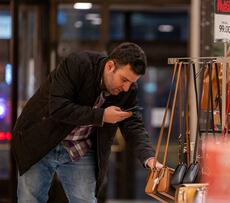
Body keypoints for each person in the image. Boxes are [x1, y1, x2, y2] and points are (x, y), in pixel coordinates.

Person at [11, 42, 162, 202]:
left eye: (131, 82)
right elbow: (58, 107)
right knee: (30, 199)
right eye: (124, 79)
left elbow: (133, 125)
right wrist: (101, 116)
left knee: (85, 200)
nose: (126, 88)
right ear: (110, 66)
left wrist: (149, 158)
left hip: (79, 148)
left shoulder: (128, 90)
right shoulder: (78, 64)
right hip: (41, 141)